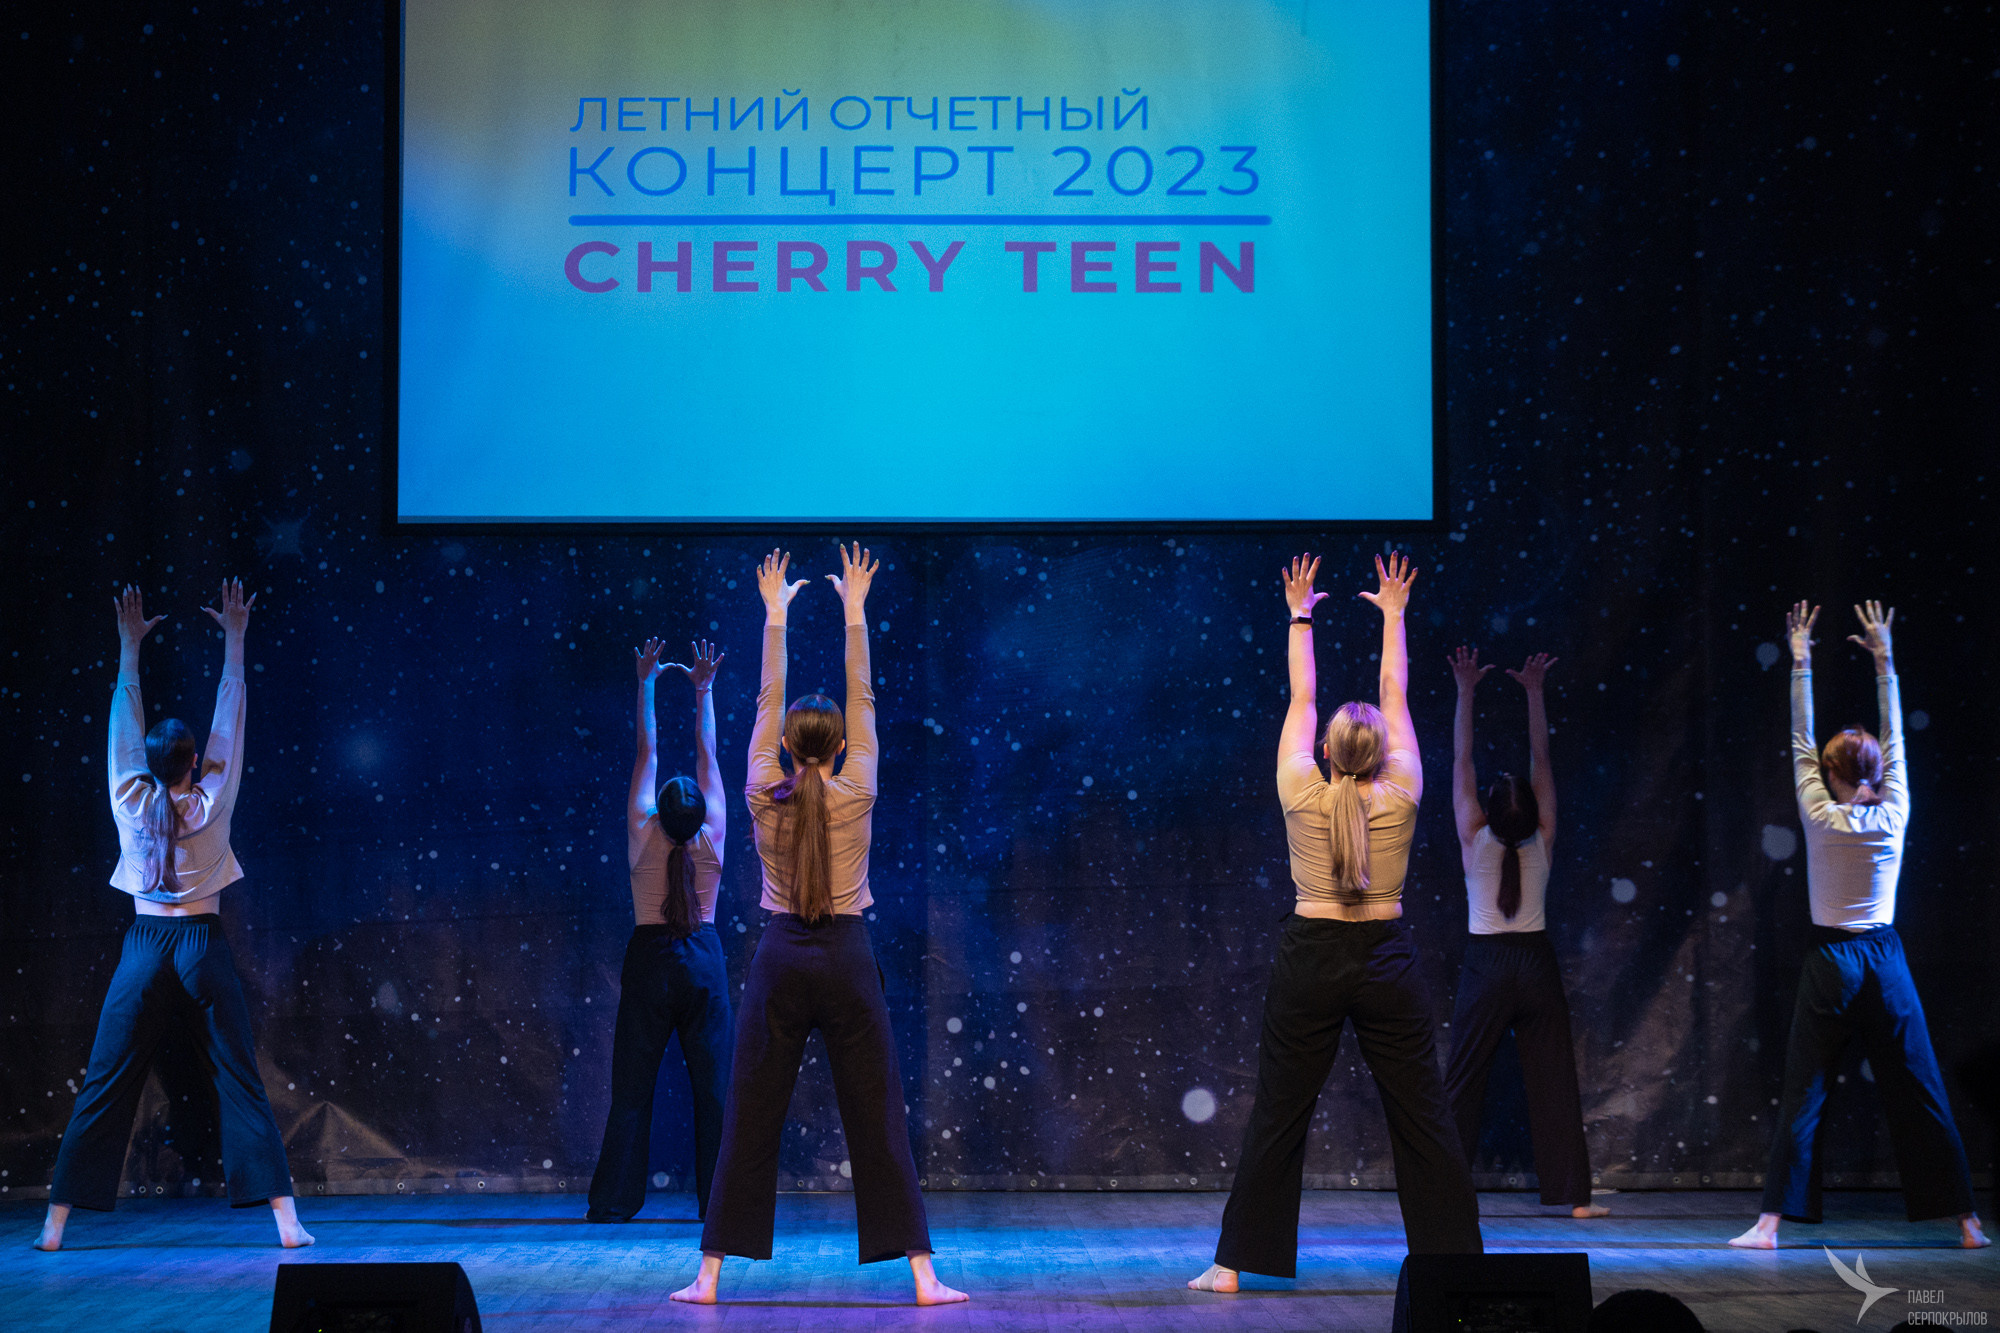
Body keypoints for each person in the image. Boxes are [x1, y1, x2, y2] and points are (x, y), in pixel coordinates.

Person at [672, 546, 966, 1306]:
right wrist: (855, 609)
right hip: (845, 953)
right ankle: (924, 1276)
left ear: (784, 747)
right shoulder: (858, 783)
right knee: (879, 1116)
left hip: (779, 956)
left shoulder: (759, 788)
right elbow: (860, 696)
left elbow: (769, 699)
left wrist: (775, 615)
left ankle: (709, 1277)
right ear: (837, 749)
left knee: (750, 1114)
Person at [1190, 554, 1481, 1292]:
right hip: (1386, 954)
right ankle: (1453, 1266)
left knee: (1281, 1109)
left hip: (1312, 953)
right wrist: (1393, 611)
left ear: (1324, 750)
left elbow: (1302, 692)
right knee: (1423, 1114)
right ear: (1386, 753)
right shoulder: (1407, 787)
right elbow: (1394, 687)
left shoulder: (1298, 785)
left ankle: (1233, 1265)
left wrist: (1299, 613)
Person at [36, 582, 310, 1251]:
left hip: (145, 946)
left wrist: (129, 650)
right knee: (238, 1078)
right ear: (195, 762)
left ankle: (54, 1225)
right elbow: (230, 720)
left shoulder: (129, 797)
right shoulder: (211, 798)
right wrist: (236, 638)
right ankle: (286, 1222)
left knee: (105, 1079)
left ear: (151, 766)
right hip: (199, 946)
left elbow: (120, 731)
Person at [1730, 601, 1987, 1250]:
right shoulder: (1895, 808)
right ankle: (1967, 1220)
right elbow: (1895, 739)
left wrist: (1801, 661)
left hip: (1832, 963)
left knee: (1803, 1092)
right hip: (1884, 958)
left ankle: (1769, 1225)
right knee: (1921, 1085)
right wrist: (1886, 661)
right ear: (1873, 774)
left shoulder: (1820, 812)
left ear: (1833, 774)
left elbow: (1798, 738)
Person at [1441, 647, 1606, 1218]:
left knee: (1462, 1081)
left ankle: (1445, 1192)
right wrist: (1534, 690)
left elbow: (1461, 760)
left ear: (1487, 811)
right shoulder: (1545, 834)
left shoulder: (1472, 836)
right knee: (1554, 1079)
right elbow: (1542, 756)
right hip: (1534, 963)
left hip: (1487, 965)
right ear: (1533, 813)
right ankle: (1574, 1198)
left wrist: (1466, 689)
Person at [585, 637, 733, 1223]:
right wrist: (704, 690)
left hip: (649, 958)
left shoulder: (643, 832)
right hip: (702, 958)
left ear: (659, 812)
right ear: (698, 814)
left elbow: (647, 751)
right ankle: (721, 1202)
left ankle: (617, 1200)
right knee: (714, 1091)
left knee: (632, 1087)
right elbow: (708, 757)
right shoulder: (713, 834)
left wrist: (646, 681)